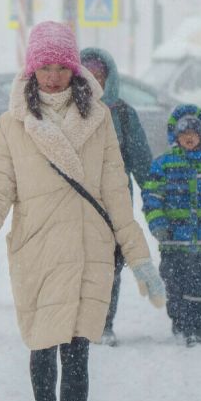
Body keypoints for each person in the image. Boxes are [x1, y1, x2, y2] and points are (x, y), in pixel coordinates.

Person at [0, 21, 166, 401]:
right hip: (38, 252)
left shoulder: (101, 120)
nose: (51, 77)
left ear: (72, 67)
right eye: (42, 67)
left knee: (78, 350)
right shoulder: (11, 126)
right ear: (31, 69)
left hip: (89, 252)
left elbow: (115, 196)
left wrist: (140, 258)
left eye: (60, 67)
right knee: (42, 347)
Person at [141, 104, 201, 345]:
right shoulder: (163, 165)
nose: (189, 139)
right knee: (175, 287)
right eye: (184, 135)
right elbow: (152, 199)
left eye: (193, 134)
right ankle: (181, 325)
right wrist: (159, 225)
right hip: (173, 242)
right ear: (175, 137)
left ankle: (199, 329)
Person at [79, 47, 153, 346]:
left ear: (109, 79)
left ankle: (103, 324)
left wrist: (156, 197)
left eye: (99, 75)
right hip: (76, 204)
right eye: (87, 75)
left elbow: (142, 162)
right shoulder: (66, 113)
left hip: (115, 205)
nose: (94, 81)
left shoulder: (122, 114)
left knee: (109, 264)